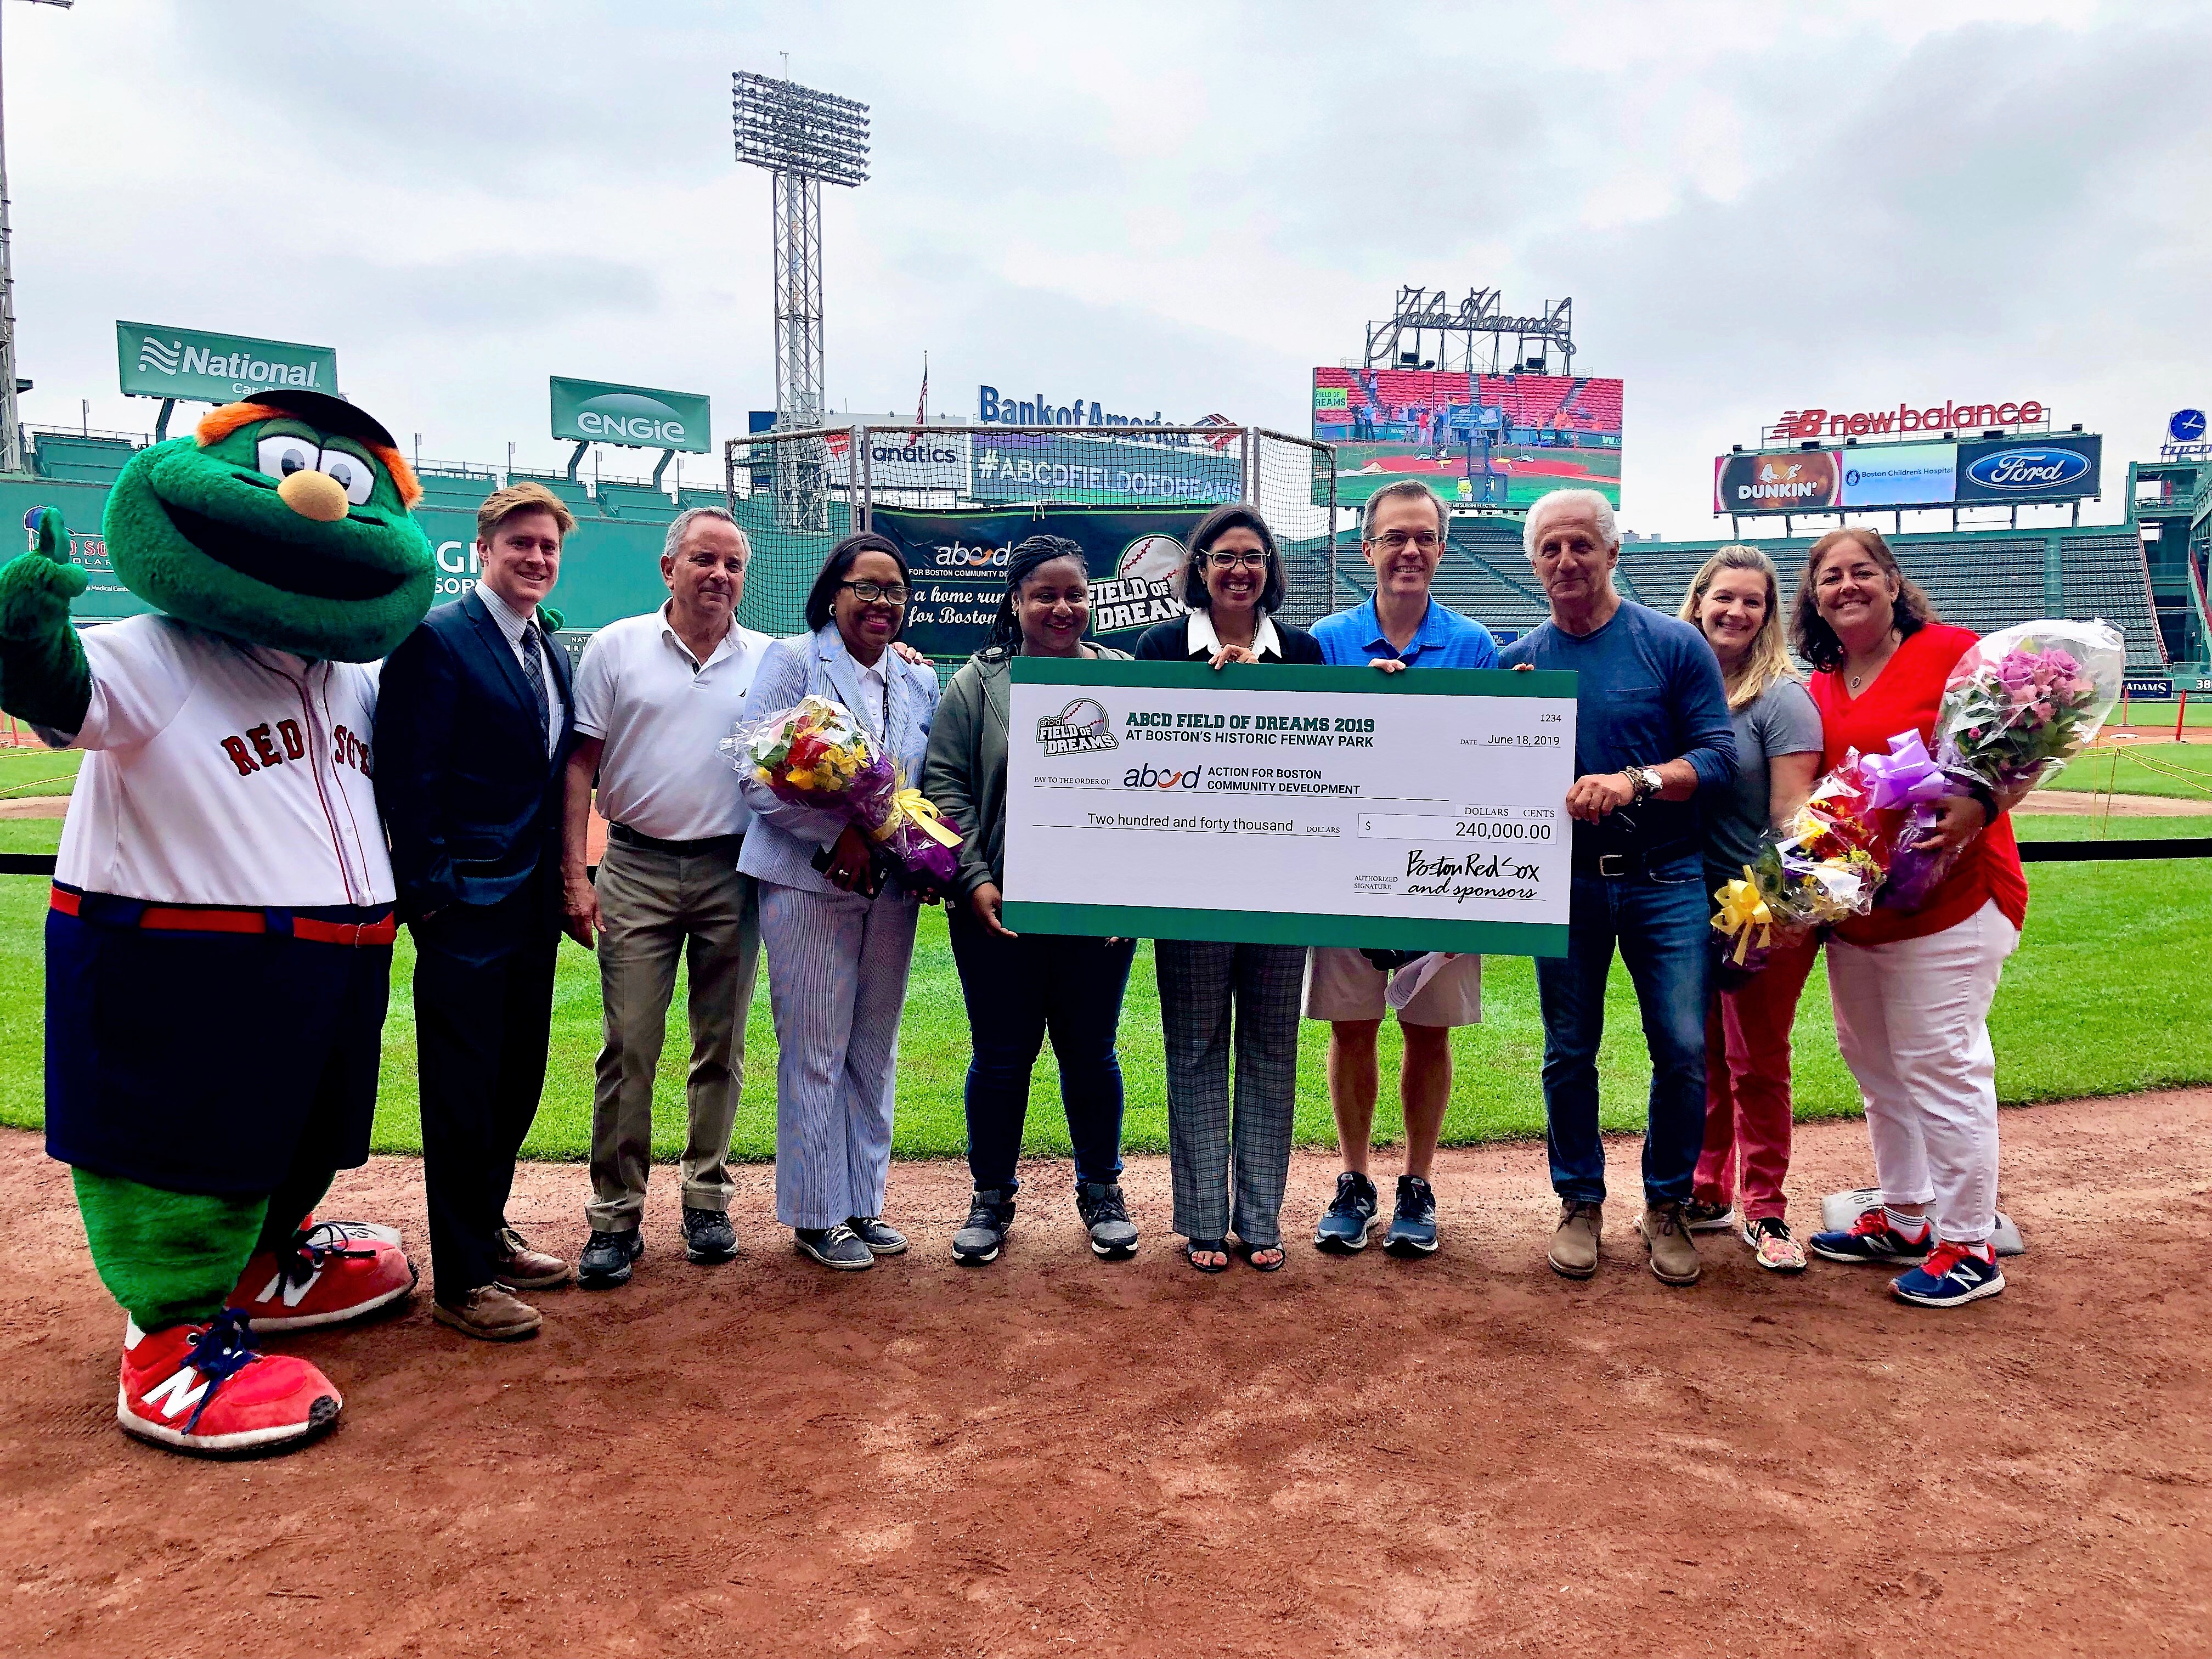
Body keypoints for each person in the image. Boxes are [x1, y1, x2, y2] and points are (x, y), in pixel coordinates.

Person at [1499, 488, 1736, 1287]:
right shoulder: (1520, 661)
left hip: (1665, 877)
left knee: (1684, 1048)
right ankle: (1580, 1201)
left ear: (1612, 552)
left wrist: (1633, 782)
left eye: (1580, 546)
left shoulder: (1672, 645)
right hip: (1562, 882)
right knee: (1570, 1052)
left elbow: (1716, 757)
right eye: (1550, 550)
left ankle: (1666, 1205)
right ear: (1534, 563)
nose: (1566, 562)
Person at [1795, 528, 2027, 1308]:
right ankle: (1906, 1216)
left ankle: (1970, 1243)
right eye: (1831, 577)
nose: (1847, 586)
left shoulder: (1956, 652)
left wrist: (1983, 803)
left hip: (1952, 903)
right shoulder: (1822, 683)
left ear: (1894, 583)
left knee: (1942, 1064)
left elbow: (2024, 748)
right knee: (1876, 1067)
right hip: (1863, 912)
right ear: (1815, 598)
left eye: (1863, 571)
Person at [377, 480, 579, 1340]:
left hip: (532, 904)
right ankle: (461, 1279)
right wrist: (436, 900)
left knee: (515, 1078)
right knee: (461, 1090)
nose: (537, 559)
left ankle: (487, 1230)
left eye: (549, 549)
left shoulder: (550, 648)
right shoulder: (436, 641)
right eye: (522, 545)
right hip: (466, 905)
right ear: (485, 549)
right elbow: (408, 784)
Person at [559, 507, 773, 1288]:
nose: (721, 575)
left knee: (722, 1047)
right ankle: (616, 1217)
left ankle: (707, 1200)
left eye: (734, 564)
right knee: (631, 1046)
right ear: (669, 568)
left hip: (733, 868)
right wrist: (574, 875)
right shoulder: (617, 646)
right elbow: (579, 766)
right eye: (704, 559)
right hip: (638, 866)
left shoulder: (769, 657)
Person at [922, 535, 1141, 1267]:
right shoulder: (976, 685)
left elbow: (1152, 782)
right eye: (1044, 594)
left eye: (1074, 593)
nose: (1061, 607)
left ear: (1092, 599)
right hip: (998, 911)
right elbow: (945, 786)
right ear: (1015, 601)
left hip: (1097, 914)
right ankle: (990, 1198)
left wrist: (1127, 895)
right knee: (1002, 1056)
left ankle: (1102, 1192)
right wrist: (975, 877)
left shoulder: (1125, 675)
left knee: (1091, 1055)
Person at [738, 532, 941, 1272]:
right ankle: (815, 1215)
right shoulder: (794, 660)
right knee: (816, 1047)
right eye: (868, 588)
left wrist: (923, 853)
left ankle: (863, 1202)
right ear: (833, 594)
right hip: (807, 879)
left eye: (895, 591)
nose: (882, 603)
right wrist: (836, 836)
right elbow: (754, 772)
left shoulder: (919, 680)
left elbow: (915, 789)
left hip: (889, 889)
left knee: (872, 1046)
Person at [1306, 479, 1496, 1257]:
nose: (1409, 550)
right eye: (1394, 537)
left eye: (1424, 537)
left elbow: (1492, 761)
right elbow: (1305, 751)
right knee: (1352, 1029)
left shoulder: (1475, 645)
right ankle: (1354, 1179)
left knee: (1429, 1032)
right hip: (1345, 869)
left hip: (1439, 867)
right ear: (1368, 547)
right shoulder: (1326, 641)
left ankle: (1417, 1180)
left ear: (1442, 550)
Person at [1132, 504, 1323, 1272]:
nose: (1239, 569)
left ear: (1271, 569)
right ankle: (1205, 1219)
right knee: (1197, 1047)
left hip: (1284, 886)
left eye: (1253, 555)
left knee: (1275, 1049)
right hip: (1190, 886)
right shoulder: (1160, 647)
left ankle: (1262, 1217)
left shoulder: (1303, 653)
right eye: (1224, 556)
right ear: (1199, 569)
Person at [1678, 546, 1823, 1273]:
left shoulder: (1782, 698)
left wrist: (1763, 908)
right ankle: (1710, 1187)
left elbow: (1795, 818)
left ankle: (1767, 1209)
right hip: (1681, 902)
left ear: (1767, 616)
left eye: (1753, 602)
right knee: (1699, 1053)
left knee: (1756, 1058)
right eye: (1724, 597)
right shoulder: (1678, 680)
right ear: (1699, 600)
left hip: (1760, 901)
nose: (1736, 611)